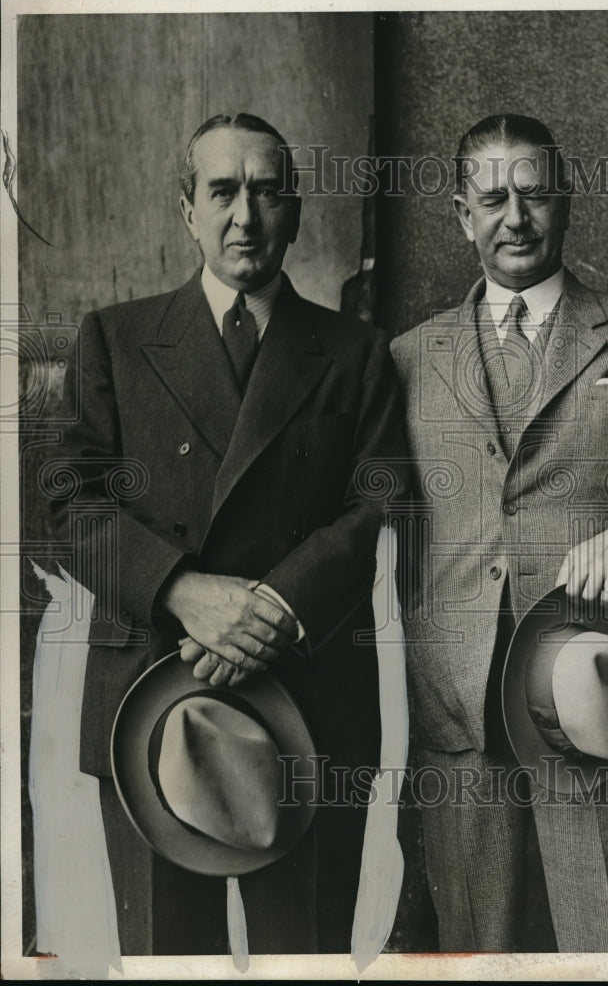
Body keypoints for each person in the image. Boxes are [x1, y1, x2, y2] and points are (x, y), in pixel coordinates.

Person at [47, 112, 407, 955]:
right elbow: (70, 501)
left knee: (304, 959)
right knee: (170, 963)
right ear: (187, 210)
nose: (245, 215)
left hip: (309, 702)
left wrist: (277, 606)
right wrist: (181, 589)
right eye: (222, 191)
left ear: (295, 211)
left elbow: (382, 498)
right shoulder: (116, 339)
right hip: (151, 700)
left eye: (267, 191)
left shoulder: (356, 353)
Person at [390, 113, 608, 952]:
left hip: (597, 709)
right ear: (460, 214)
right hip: (461, 732)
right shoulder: (405, 357)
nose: (517, 218)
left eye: (536, 194)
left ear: (566, 202)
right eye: (494, 198)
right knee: (479, 960)